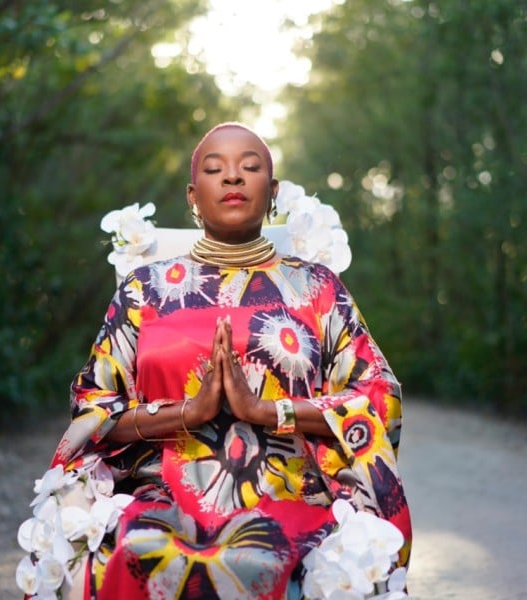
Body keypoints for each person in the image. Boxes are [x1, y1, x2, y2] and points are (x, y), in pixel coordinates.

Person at [48, 123, 411, 598]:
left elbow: (378, 396)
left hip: (292, 495)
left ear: (273, 192)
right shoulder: (144, 289)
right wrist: (189, 412)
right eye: (215, 169)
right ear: (193, 196)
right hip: (161, 496)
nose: (233, 177)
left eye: (250, 167)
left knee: (274, 558)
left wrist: (268, 411)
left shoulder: (318, 288)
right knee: (134, 551)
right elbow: (92, 405)